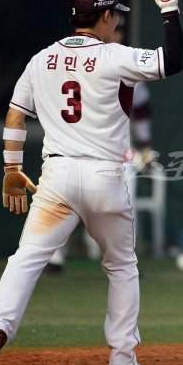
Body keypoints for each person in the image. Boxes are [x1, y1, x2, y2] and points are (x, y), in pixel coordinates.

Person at [0, 0, 183, 365]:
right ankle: (122, 357)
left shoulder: (41, 59)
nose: (116, 19)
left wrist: (12, 168)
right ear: (104, 17)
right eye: (114, 13)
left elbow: (15, 117)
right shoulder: (114, 56)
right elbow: (172, 61)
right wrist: (170, 10)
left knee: (26, 257)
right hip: (105, 176)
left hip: (57, 177)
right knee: (120, 265)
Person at [46, 17, 156, 272]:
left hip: (119, 151)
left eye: (121, 31)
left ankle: (124, 257)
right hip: (75, 147)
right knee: (65, 199)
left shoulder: (126, 62)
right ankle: (55, 256)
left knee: (126, 198)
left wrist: (147, 146)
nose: (116, 35)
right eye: (113, 29)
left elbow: (141, 111)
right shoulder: (72, 62)